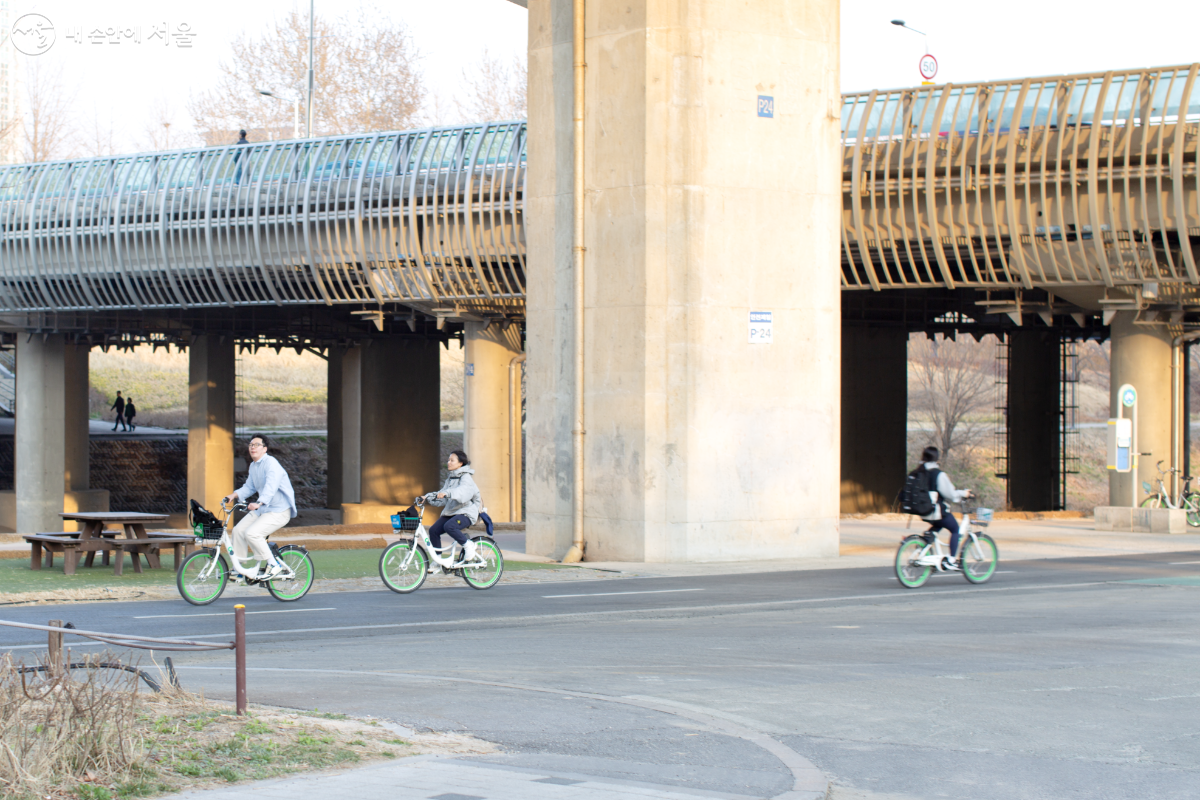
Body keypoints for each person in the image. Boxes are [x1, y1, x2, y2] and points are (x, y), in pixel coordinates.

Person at [221, 434, 297, 579]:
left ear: (265, 449)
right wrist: (234, 495)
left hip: (278, 510)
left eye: (256, 445)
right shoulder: (254, 466)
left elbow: (271, 487)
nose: (253, 447)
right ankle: (239, 569)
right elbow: (249, 487)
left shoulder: (271, 463)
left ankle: (273, 564)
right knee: (238, 531)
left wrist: (259, 503)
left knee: (252, 533)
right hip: (263, 509)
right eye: (251, 445)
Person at [916, 446, 973, 571]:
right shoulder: (938, 474)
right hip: (935, 511)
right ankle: (951, 560)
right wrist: (964, 494)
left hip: (922, 510)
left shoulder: (919, 472)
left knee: (938, 523)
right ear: (936, 459)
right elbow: (951, 494)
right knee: (954, 529)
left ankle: (927, 538)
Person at [423, 450, 482, 570]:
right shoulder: (450, 479)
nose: (448, 462)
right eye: (448, 460)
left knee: (449, 526)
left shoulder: (466, 478)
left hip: (466, 512)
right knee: (433, 530)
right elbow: (442, 497)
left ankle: (469, 545)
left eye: (452, 460)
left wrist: (447, 493)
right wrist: (427, 497)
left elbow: (462, 493)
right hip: (452, 512)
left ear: (460, 463)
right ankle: (438, 560)